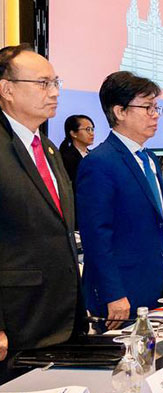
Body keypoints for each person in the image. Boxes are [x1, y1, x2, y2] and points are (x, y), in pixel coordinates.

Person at [76, 71, 163, 327]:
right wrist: (112, 293)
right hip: (124, 293)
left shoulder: (149, 158)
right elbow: (96, 235)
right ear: (120, 111)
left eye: (156, 108)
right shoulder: (100, 163)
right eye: (147, 107)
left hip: (160, 285)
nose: (155, 115)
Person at [0, 45, 82, 369]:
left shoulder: (47, 148)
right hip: (18, 322)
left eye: (56, 82)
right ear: (7, 89)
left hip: (62, 318)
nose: (55, 92)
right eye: (43, 83)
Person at [58, 114, 94, 186]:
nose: (92, 133)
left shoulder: (94, 155)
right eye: (88, 129)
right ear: (73, 133)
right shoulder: (66, 159)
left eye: (92, 129)